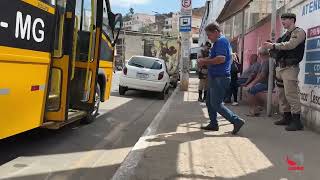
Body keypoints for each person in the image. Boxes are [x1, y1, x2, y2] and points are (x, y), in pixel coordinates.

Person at [198, 22, 245, 135]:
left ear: (216, 32)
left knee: (216, 104)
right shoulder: (219, 42)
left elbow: (221, 59)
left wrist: (204, 61)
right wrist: (204, 60)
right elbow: (215, 57)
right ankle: (213, 123)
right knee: (209, 102)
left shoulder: (221, 42)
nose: (208, 38)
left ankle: (236, 121)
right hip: (216, 76)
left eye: (209, 35)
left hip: (220, 77)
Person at [264, 13, 306, 131]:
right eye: (281, 19)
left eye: (285, 19)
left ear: (292, 20)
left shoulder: (299, 32)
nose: (283, 22)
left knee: (291, 94)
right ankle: (286, 117)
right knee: (282, 94)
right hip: (280, 68)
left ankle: (297, 122)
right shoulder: (284, 35)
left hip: (290, 68)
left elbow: (291, 45)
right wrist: (270, 48)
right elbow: (277, 50)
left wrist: (273, 45)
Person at [245, 47, 270, 116]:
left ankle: (254, 110)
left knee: (249, 90)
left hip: (265, 83)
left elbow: (262, 75)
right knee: (252, 90)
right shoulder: (265, 61)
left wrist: (252, 83)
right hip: (264, 83)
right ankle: (258, 107)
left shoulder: (265, 61)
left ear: (260, 54)